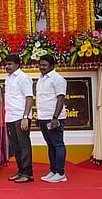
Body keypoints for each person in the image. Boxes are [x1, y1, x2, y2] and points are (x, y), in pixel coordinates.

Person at [36, 54, 67, 183]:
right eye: (40, 65)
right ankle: (53, 170)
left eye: (44, 65)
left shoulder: (58, 79)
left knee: (58, 144)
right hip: (43, 117)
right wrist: (39, 117)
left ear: (52, 66)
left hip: (54, 118)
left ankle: (60, 173)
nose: (41, 68)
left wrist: (55, 117)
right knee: (50, 145)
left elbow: (61, 98)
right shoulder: (41, 78)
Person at [4, 53, 34, 183]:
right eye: (6, 64)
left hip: (21, 116)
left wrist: (25, 117)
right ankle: (20, 171)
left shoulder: (24, 78)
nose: (7, 66)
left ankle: (28, 173)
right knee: (16, 146)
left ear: (17, 64)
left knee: (24, 145)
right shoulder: (8, 77)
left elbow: (29, 98)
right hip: (10, 116)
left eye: (10, 64)